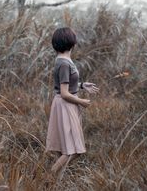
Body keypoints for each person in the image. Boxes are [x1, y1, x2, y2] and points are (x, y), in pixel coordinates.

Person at [46, 27, 99, 178]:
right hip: (65, 105)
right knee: (72, 150)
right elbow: (64, 93)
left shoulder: (64, 60)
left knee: (67, 150)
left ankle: (56, 182)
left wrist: (82, 85)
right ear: (71, 42)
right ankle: (46, 179)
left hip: (66, 104)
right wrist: (81, 101)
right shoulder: (63, 63)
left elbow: (66, 85)